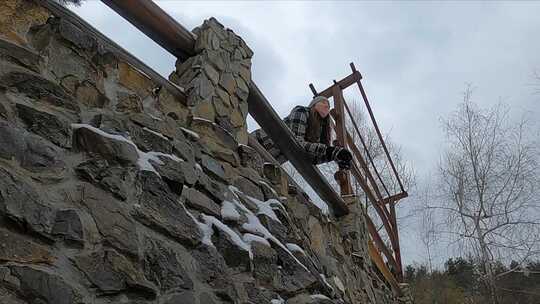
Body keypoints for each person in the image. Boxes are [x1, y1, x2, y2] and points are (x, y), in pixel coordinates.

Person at [251, 96, 353, 169]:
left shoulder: (317, 132)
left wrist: (335, 155)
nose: (326, 106)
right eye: (323, 103)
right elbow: (296, 142)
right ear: (313, 105)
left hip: (267, 160)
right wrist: (330, 151)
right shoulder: (302, 112)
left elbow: (312, 158)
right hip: (257, 143)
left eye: (328, 105)